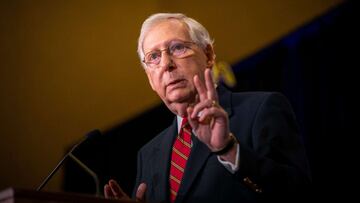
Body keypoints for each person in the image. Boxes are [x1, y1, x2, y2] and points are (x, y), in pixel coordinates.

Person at [104, 13, 311, 203]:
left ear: (209, 55)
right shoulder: (147, 154)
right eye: (154, 57)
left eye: (177, 47)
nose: (166, 63)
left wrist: (229, 150)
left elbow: (297, 193)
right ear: (150, 79)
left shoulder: (261, 109)